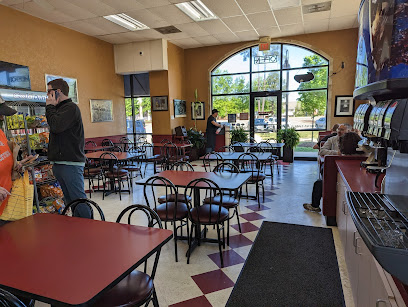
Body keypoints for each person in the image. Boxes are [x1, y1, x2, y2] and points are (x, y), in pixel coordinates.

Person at [46, 79, 91, 218]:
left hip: (70, 162)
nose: (47, 95)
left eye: (49, 91)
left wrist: (49, 107)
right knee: (69, 200)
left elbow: (56, 126)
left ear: (58, 92)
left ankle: (89, 228)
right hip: (60, 162)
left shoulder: (70, 108)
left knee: (78, 199)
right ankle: (78, 228)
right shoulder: (59, 109)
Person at [303, 132, 364, 212]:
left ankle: (315, 206)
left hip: (340, 183)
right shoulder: (363, 156)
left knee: (319, 183)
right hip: (357, 183)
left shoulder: (342, 158)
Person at [0, 98, 33, 226]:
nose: (2, 118)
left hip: (8, 208)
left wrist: (18, 164)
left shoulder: (1, 134)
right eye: (0, 114)